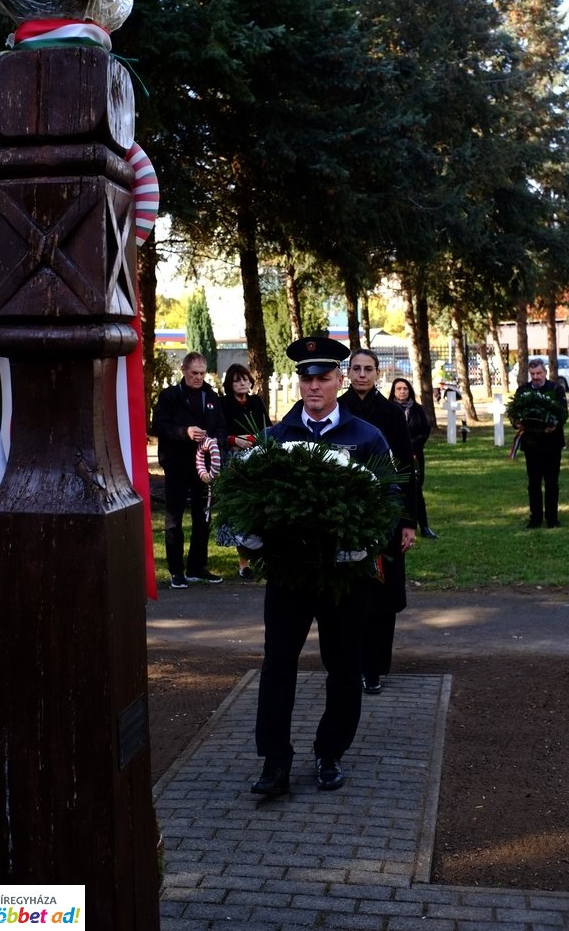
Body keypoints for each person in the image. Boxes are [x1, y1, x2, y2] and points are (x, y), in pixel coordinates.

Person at [251, 336, 391, 798]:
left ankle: (329, 752)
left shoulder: (366, 438)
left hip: (344, 579)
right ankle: (275, 760)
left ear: (340, 381)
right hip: (290, 576)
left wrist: (365, 543)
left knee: (345, 667)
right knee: (277, 666)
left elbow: (390, 499)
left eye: (324, 378)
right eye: (306, 378)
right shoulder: (275, 439)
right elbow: (251, 501)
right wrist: (251, 535)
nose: (314, 387)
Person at [339, 351, 416, 696]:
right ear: (348, 372)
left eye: (368, 369)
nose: (362, 375)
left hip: (385, 516)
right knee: (347, 596)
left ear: (377, 373)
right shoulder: (337, 409)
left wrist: (408, 521)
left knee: (383, 597)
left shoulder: (390, 413)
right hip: (345, 516)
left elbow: (406, 470)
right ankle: (349, 665)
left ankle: (375, 668)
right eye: (356, 369)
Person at [152, 352, 226, 587]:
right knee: (174, 517)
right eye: (194, 373)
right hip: (177, 464)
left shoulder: (212, 396)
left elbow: (222, 427)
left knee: (203, 517)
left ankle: (197, 567)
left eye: (202, 373)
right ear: (183, 370)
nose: (198, 377)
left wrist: (214, 442)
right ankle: (176, 570)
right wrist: (185, 432)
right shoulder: (170, 396)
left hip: (203, 466)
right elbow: (159, 425)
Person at [217, 363, 271, 580]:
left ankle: (263, 558)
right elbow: (218, 431)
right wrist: (233, 440)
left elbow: (267, 426)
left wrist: (258, 439)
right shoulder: (223, 404)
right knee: (238, 509)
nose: (241, 383)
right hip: (233, 459)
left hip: (256, 457)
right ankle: (243, 563)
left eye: (245, 379)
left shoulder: (256, 401)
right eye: (237, 380)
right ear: (230, 384)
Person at [513, 359, 568, 528]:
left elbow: (563, 413)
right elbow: (514, 413)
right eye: (533, 374)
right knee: (534, 483)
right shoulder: (523, 390)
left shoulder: (556, 389)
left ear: (545, 373)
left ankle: (552, 519)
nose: (536, 377)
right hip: (532, 445)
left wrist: (554, 425)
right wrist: (516, 423)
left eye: (539, 373)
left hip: (552, 444)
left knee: (551, 482)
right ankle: (535, 518)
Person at [389, 377, 438, 539]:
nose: (402, 392)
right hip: (392, 457)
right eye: (399, 389)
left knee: (416, 491)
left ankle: (424, 526)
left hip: (414, 456)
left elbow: (424, 431)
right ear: (393, 391)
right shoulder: (388, 409)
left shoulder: (417, 409)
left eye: (405, 388)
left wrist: (410, 446)